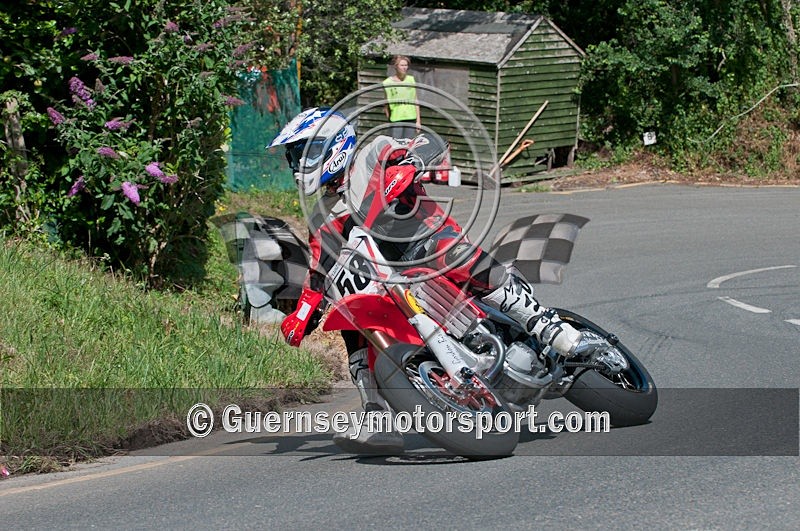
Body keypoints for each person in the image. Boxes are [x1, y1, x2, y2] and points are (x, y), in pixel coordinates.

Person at [269, 107, 584, 454]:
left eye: (306, 152)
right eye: (294, 155)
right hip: (390, 274)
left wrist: (410, 164)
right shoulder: (322, 213)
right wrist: (302, 313)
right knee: (353, 317)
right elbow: (320, 265)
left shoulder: (375, 151)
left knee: (451, 253)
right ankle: (378, 414)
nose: (299, 163)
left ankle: (542, 323)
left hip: (426, 240)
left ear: (333, 143)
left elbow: (428, 141)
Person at [382, 55, 421, 139]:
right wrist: (389, 119)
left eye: (406, 65)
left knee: (408, 144)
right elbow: (386, 104)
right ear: (396, 66)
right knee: (396, 144)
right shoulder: (387, 83)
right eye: (402, 65)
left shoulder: (411, 80)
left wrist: (418, 121)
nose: (404, 68)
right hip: (396, 118)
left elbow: (415, 100)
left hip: (411, 117)